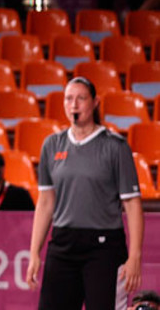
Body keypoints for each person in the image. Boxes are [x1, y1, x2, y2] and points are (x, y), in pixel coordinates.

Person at [27, 77, 144, 310]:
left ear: (95, 102)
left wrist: (135, 256)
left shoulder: (115, 146)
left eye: (81, 98)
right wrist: (34, 253)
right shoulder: (52, 145)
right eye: (69, 99)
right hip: (62, 244)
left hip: (104, 248)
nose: (74, 105)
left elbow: (132, 204)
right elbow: (46, 203)